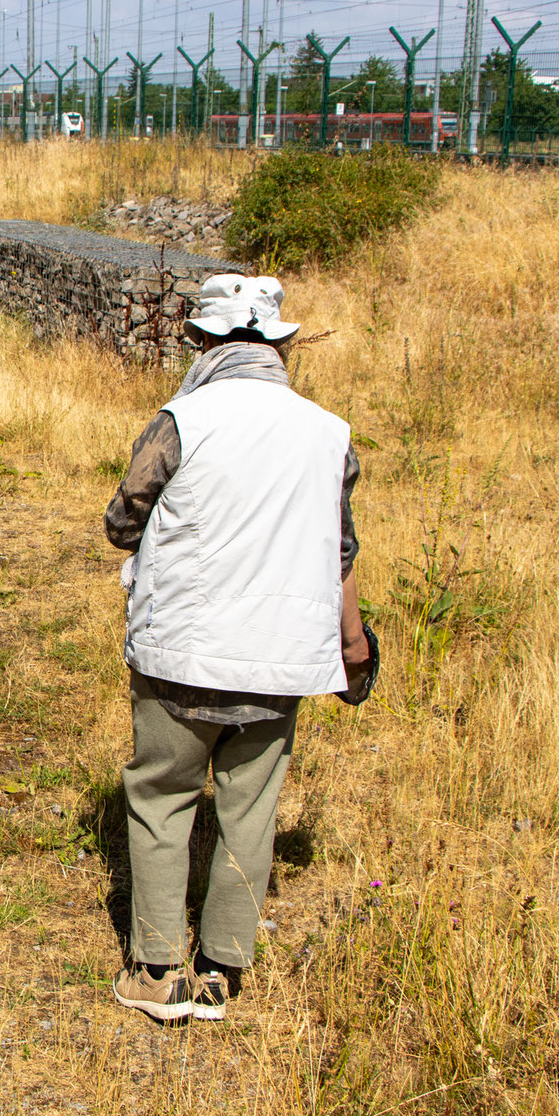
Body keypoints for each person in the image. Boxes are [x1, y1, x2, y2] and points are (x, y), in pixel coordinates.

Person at [103, 274, 373, 1024]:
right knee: (250, 808)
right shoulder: (329, 431)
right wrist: (351, 644)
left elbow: (122, 522)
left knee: (162, 794)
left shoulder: (181, 420)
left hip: (182, 651)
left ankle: (156, 970)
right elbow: (341, 549)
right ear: (281, 347)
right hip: (282, 655)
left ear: (202, 341)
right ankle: (222, 970)